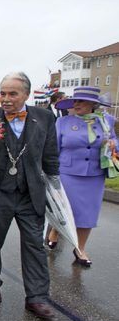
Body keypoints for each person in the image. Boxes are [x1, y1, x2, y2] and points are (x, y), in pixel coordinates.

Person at [0, 72, 60, 321]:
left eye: (12, 93)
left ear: (26, 94)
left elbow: (50, 157)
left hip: (30, 194)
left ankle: (37, 297)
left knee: (34, 245)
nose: (6, 98)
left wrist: (56, 190)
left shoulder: (44, 118)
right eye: (3, 93)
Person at [47, 86, 116, 265]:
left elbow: (115, 140)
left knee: (87, 214)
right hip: (67, 173)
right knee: (64, 210)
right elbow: (53, 149)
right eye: (75, 101)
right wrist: (50, 171)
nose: (76, 104)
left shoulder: (107, 120)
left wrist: (112, 144)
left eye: (81, 101)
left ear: (93, 104)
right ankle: (55, 230)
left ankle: (80, 249)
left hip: (94, 174)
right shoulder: (63, 122)